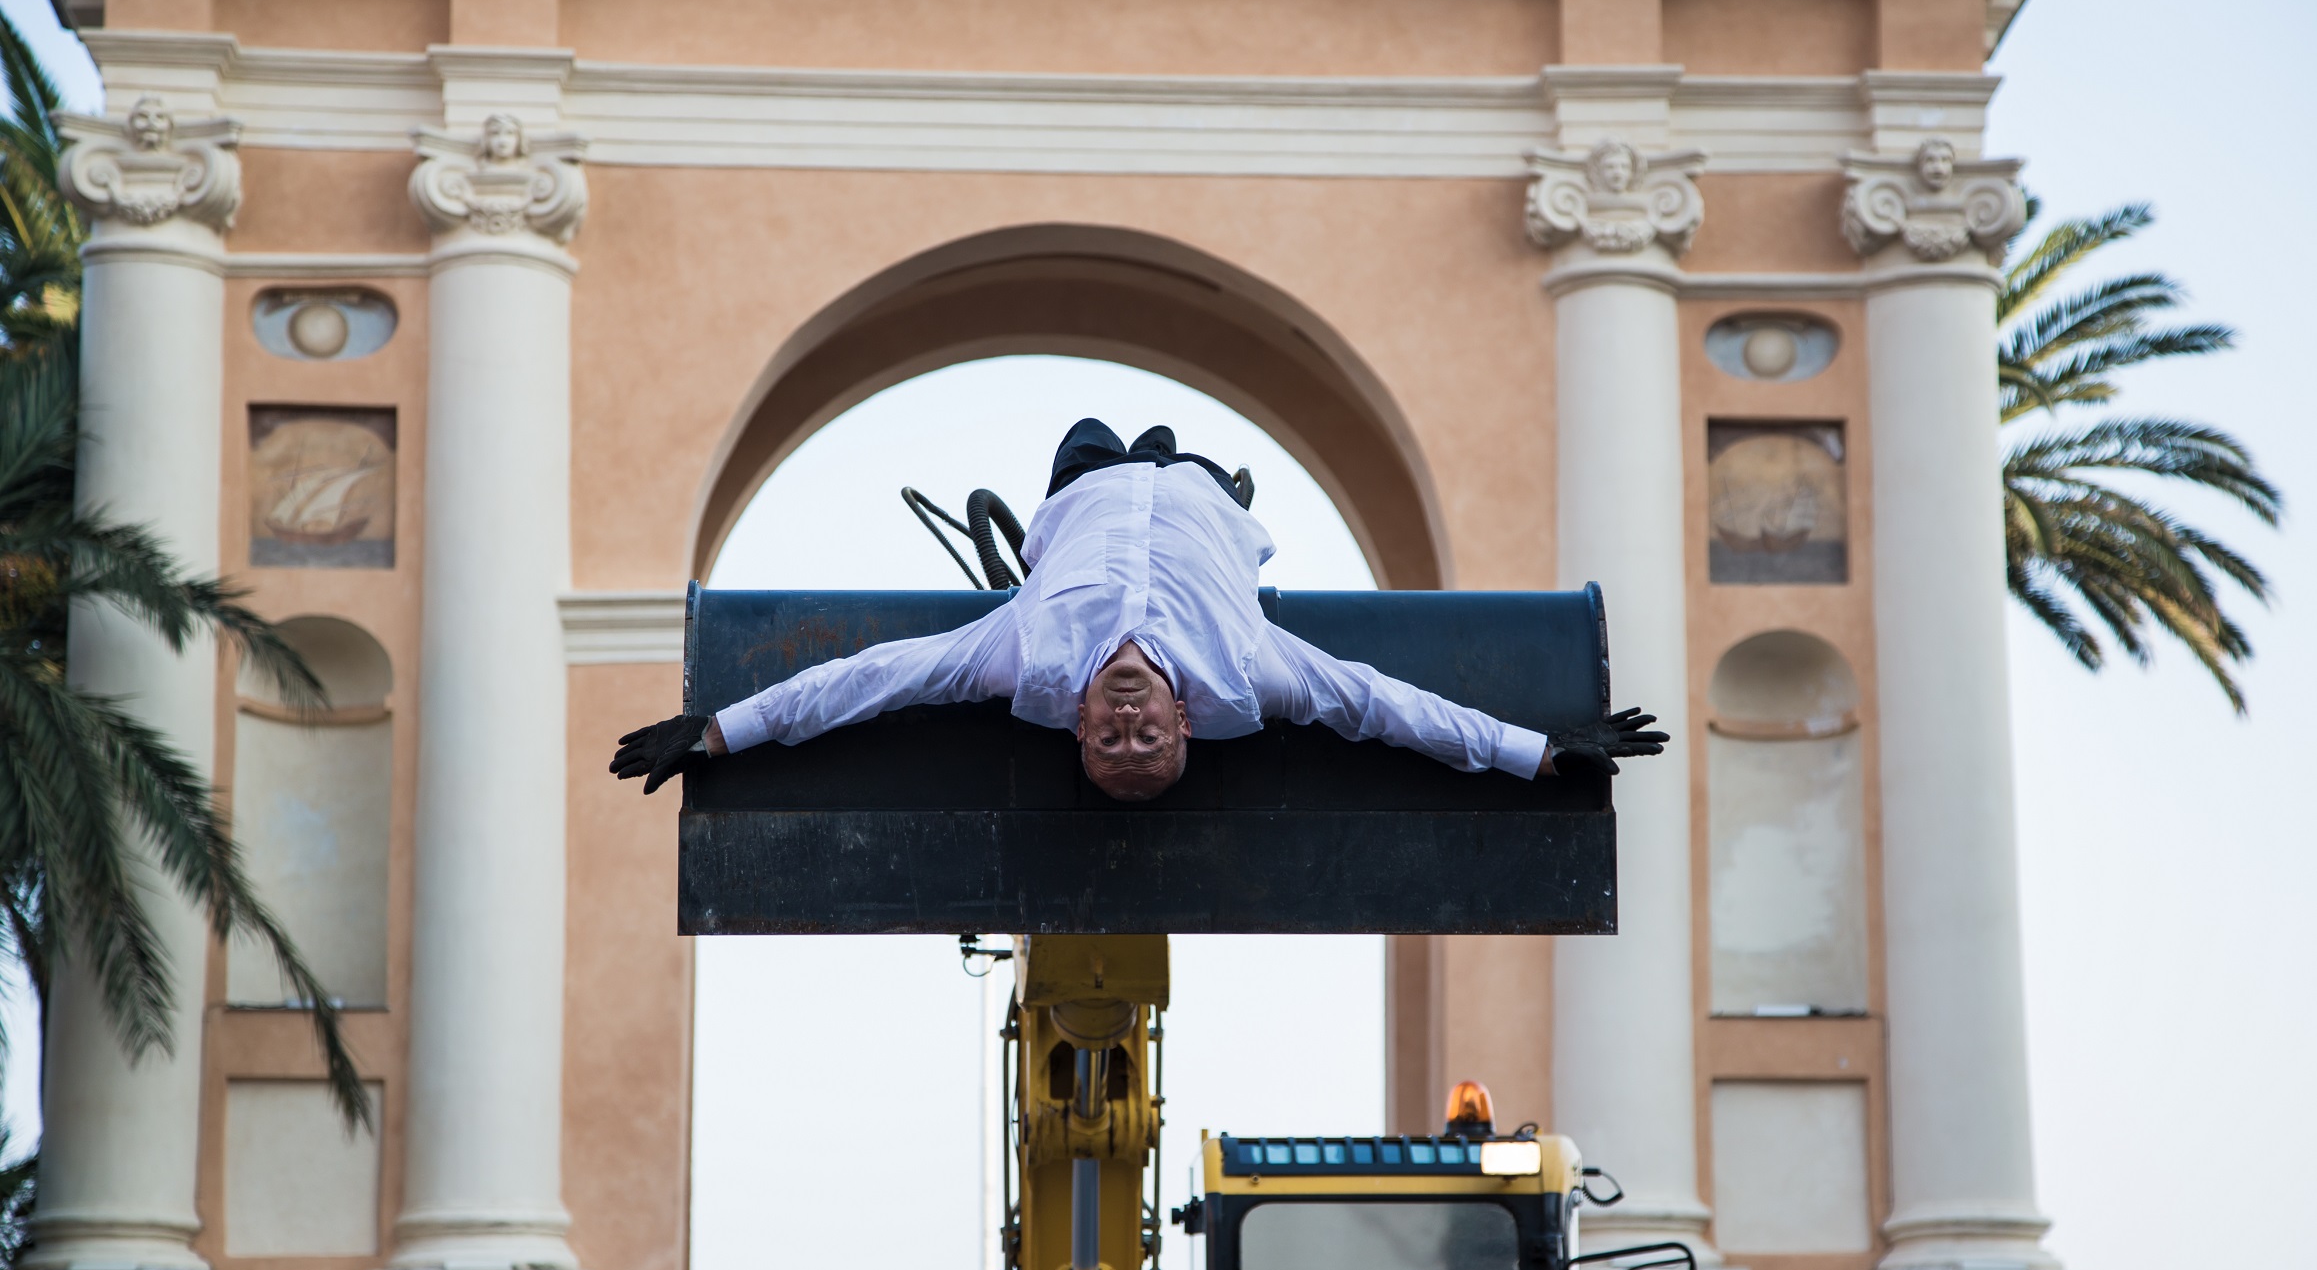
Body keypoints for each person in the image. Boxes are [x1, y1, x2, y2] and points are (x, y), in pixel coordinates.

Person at [612, 418, 1667, 801]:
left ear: (1074, 724)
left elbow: (864, 680)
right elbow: (1390, 708)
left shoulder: (1014, 658)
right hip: (1198, 492)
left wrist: (714, 733)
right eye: (1143, 736)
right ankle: (1188, 465)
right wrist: (1537, 753)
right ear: (1183, 727)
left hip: (1079, 492)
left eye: (1111, 735)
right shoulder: (1255, 673)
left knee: (1086, 440)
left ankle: (1112, 457)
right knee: (1173, 448)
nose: (1125, 720)